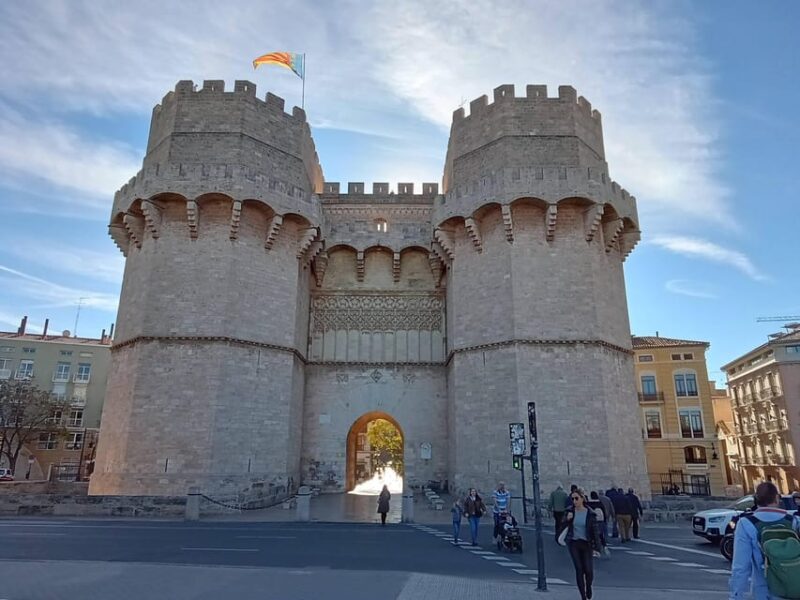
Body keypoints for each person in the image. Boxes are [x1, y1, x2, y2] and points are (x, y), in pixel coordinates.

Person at [730, 481, 800, 600]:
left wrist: (735, 596)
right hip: (794, 587)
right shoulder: (793, 521)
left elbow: (740, 567)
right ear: (777, 498)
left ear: (756, 499)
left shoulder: (746, 524)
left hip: (763, 590)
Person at [564, 488, 603, 600]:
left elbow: (595, 531)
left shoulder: (590, 513)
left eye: (576, 498)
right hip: (574, 543)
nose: (574, 501)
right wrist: (567, 519)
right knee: (579, 569)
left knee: (589, 570)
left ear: (582, 498)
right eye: (572, 499)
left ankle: (589, 587)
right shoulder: (570, 511)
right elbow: (562, 526)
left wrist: (597, 547)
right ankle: (583, 596)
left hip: (587, 544)